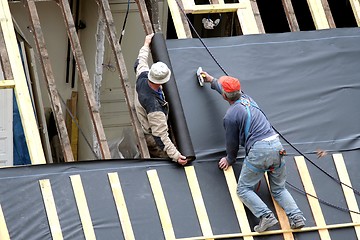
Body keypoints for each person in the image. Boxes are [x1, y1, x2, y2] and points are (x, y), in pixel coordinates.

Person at [201, 71, 306, 232]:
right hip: (277, 147)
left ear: (224, 96)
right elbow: (229, 91)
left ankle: (266, 216)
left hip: (259, 151)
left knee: (243, 189)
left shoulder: (230, 116)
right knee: (279, 189)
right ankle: (297, 216)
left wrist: (230, 159)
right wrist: (211, 80)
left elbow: (232, 142)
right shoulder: (247, 99)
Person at [134, 33, 187, 166]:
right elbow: (160, 136)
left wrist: (146, 44)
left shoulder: (143, 76)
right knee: (164, 164)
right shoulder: (154, 106)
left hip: (145, 116)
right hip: (150, 135)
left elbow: (140, 61)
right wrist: (176, 156)